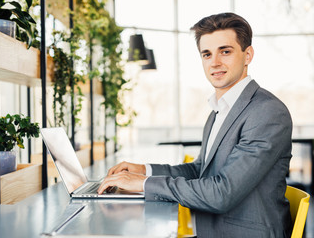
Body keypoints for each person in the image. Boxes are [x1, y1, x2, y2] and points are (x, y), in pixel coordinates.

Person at [98, 12, 292, 237]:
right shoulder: (220, 110)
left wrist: (143, 184)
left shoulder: (266, 112)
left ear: (247, 55)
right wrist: (144, 171)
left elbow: (222, 193)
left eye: (225, 51)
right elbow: (201, 171)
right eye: (207, 54)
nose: (215, 63)